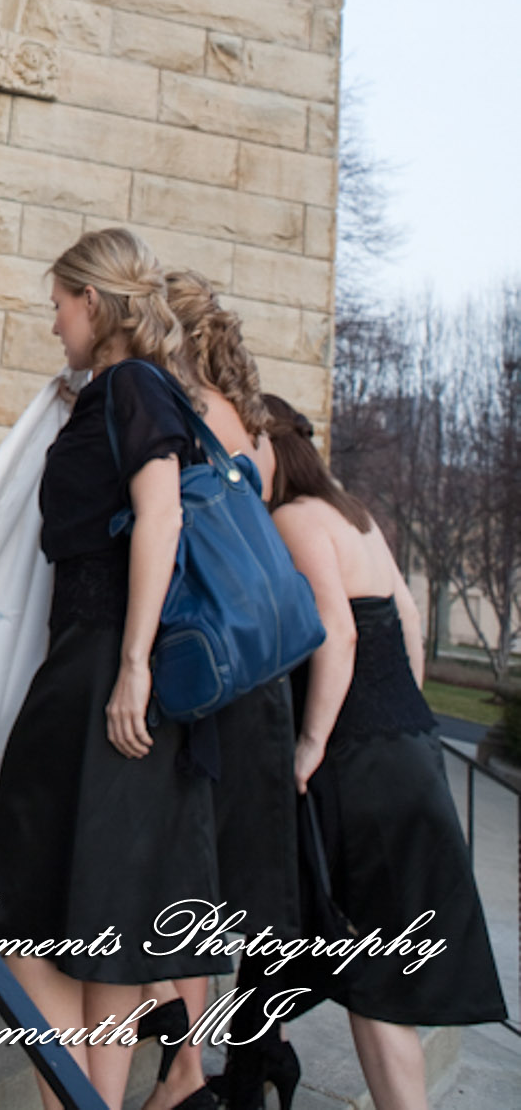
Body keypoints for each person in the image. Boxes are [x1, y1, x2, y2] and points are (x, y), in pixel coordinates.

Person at [0, 228, 220, 1110]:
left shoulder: (133, 388)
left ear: (94, 302)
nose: (53, 324)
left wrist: (130, 667)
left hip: (101, 665)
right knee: (103, 920)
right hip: (105, 664)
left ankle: (77, 1097)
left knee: (16, 917)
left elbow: (161, 520)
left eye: (58, 306)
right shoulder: (125, 391)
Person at [232, 396, 506, 1110]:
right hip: (410, 748)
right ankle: (257, 1059)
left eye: (244, 448)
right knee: (373, 957)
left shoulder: (292, 518)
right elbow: (407, 619)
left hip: (359, 763)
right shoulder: (354, 512)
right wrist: (399, 709)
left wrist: (312, 743)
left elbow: (339, 633)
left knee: (374, 968)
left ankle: (257, 1063)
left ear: (270, 447)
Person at [138, 274, 301, 1110]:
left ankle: (183, 1071)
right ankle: (187, 1074)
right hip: (262, 680)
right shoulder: (260, 434)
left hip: (205, 672)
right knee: (209, 887)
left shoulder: (178, 415)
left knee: (170, 874)